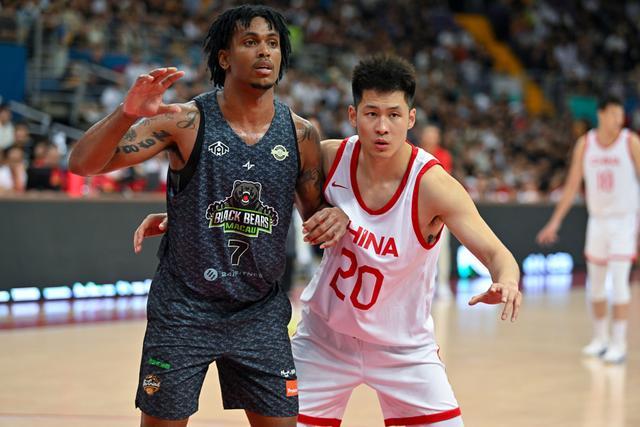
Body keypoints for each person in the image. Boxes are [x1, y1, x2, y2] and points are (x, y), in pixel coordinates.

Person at [137, 55, 522, 427]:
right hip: (324, 341)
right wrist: (185, 220)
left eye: (393, 115)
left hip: (403, 349)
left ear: (411, 118)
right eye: (371, 114)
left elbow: (495, 252)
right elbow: (249, 189)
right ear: (353, 116)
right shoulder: (328, 157)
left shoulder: (433, 186)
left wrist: (506, 280)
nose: (382, 127)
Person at [69, 5, 348, 427]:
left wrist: (338, 216)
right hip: (184, 310)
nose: (264, 52)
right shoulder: (185, 121)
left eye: (273, 43)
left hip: (259, 312)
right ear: (224, 57)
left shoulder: (300, 134)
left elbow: (315, 214)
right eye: (250, 42)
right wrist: (127, 113)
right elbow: (82, 164)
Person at [537, 95, 640, 364]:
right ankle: (600, 338)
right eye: (614, 114)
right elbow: (572, 185)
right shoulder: (586, 143)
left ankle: (619, 343)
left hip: (624, 221)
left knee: (619, 283)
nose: (619, 120)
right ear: (601, 114)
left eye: (621, 115)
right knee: (595, 285)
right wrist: (555, 221)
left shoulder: (630, 142)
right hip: (597, 220)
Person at [418, 124, 454, 300]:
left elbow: (443, 181)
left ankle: (442, 284)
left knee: (442, 247)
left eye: (433, 135)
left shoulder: (443, 155)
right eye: (428, 134)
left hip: (439, 209)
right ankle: (419, 286)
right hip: (417, 208)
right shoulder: (414, 152)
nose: (430, 138)